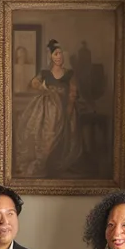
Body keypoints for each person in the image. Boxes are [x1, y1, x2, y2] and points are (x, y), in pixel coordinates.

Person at [15, 38, 85, 177]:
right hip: (47, 110)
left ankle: (59, 163)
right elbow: (34, 83)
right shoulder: (45, 73)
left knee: (64, 132)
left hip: (64, 108)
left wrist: (69, 107)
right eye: (56, 54)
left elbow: (73, 91)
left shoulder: (69, 74)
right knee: (42, 130)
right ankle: (44, 162)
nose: (59, 57)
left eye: (60, 54)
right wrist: (42, 87)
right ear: (51, 56)